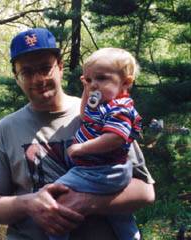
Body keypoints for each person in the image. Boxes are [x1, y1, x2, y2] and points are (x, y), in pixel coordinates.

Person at [0, 28, 155, 240]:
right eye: (26, 72)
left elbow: (145, 192)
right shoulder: (5, 130)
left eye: (46, 68)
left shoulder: (101, 111)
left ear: (60, 67)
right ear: (16, 78)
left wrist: (88, 202)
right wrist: (28, 203)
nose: (38, 79)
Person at [49, 48, 143, 240]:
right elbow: (84, 114)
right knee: (120, 216)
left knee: (56, 197)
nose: (93, 85)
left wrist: (82, 148)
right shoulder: (104, 104)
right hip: (106, 171)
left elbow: (114, 138)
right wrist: (86, 90)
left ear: (126, 82)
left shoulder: (120, 109)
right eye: (89, 80)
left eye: (100, 78)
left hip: (100, 171)